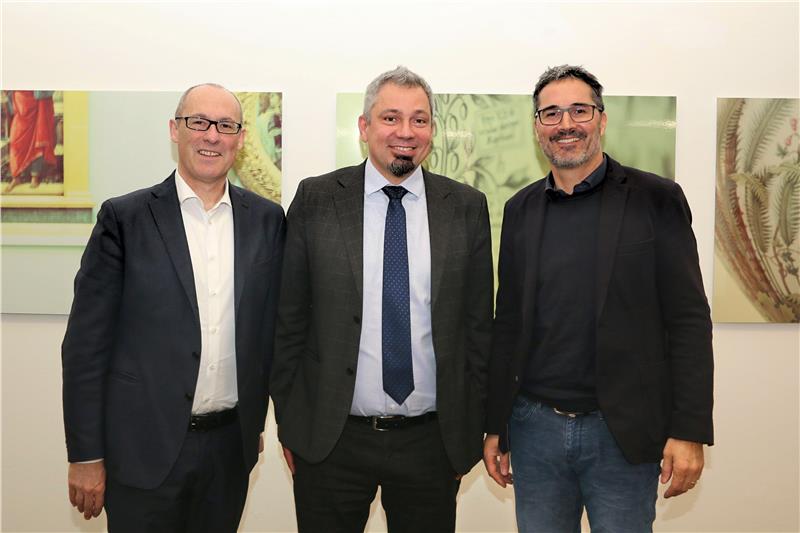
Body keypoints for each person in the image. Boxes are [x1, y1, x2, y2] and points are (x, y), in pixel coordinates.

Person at [483, 65, 714, 532]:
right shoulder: (520, 209)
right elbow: (507, 323)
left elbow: (688, 319)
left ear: (602, 120)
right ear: (537, 128)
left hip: (623, 432)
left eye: (579, 110)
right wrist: (495, 424)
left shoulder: (656, 198)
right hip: (535, 429)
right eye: (551, 113)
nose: (566, 123)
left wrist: (688, 429)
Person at [270, 66, 493, 533]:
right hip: (332, 441)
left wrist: (466, 433)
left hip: (430, 443)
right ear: (364, 126)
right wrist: (293, 424)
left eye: (419, 119)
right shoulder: (317, 199)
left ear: (432, 129)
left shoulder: (465, 207)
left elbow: (478, 329)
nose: (405, 132)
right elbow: (288, 321)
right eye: (391, 118)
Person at [61, 83, 285, 532]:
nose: (211, 135)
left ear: (241, 138)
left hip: (229, 450)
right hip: (142, 451)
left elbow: (268, 333)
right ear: (174, 130)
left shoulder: (267, 219)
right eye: (198, 122)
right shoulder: (124, 219)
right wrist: (86, 455)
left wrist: (254, 423)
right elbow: (86, 347)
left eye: (226, 125)